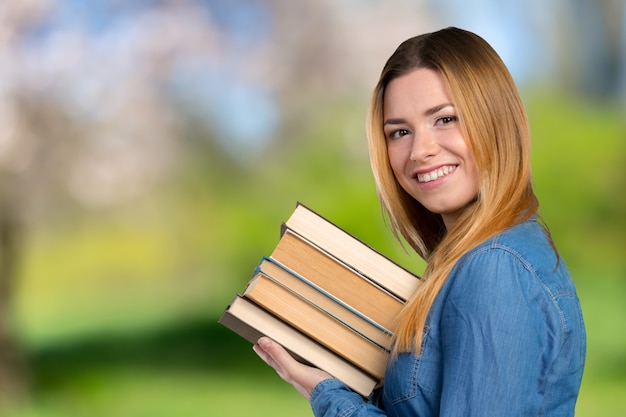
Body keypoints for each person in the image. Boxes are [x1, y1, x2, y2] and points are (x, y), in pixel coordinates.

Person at [253, 27, 586, 417]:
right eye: (400, 132)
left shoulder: (495, 266)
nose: (420, 151)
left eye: (445, 119)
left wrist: (328, 396)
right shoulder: (476, 258)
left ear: (496, 120)